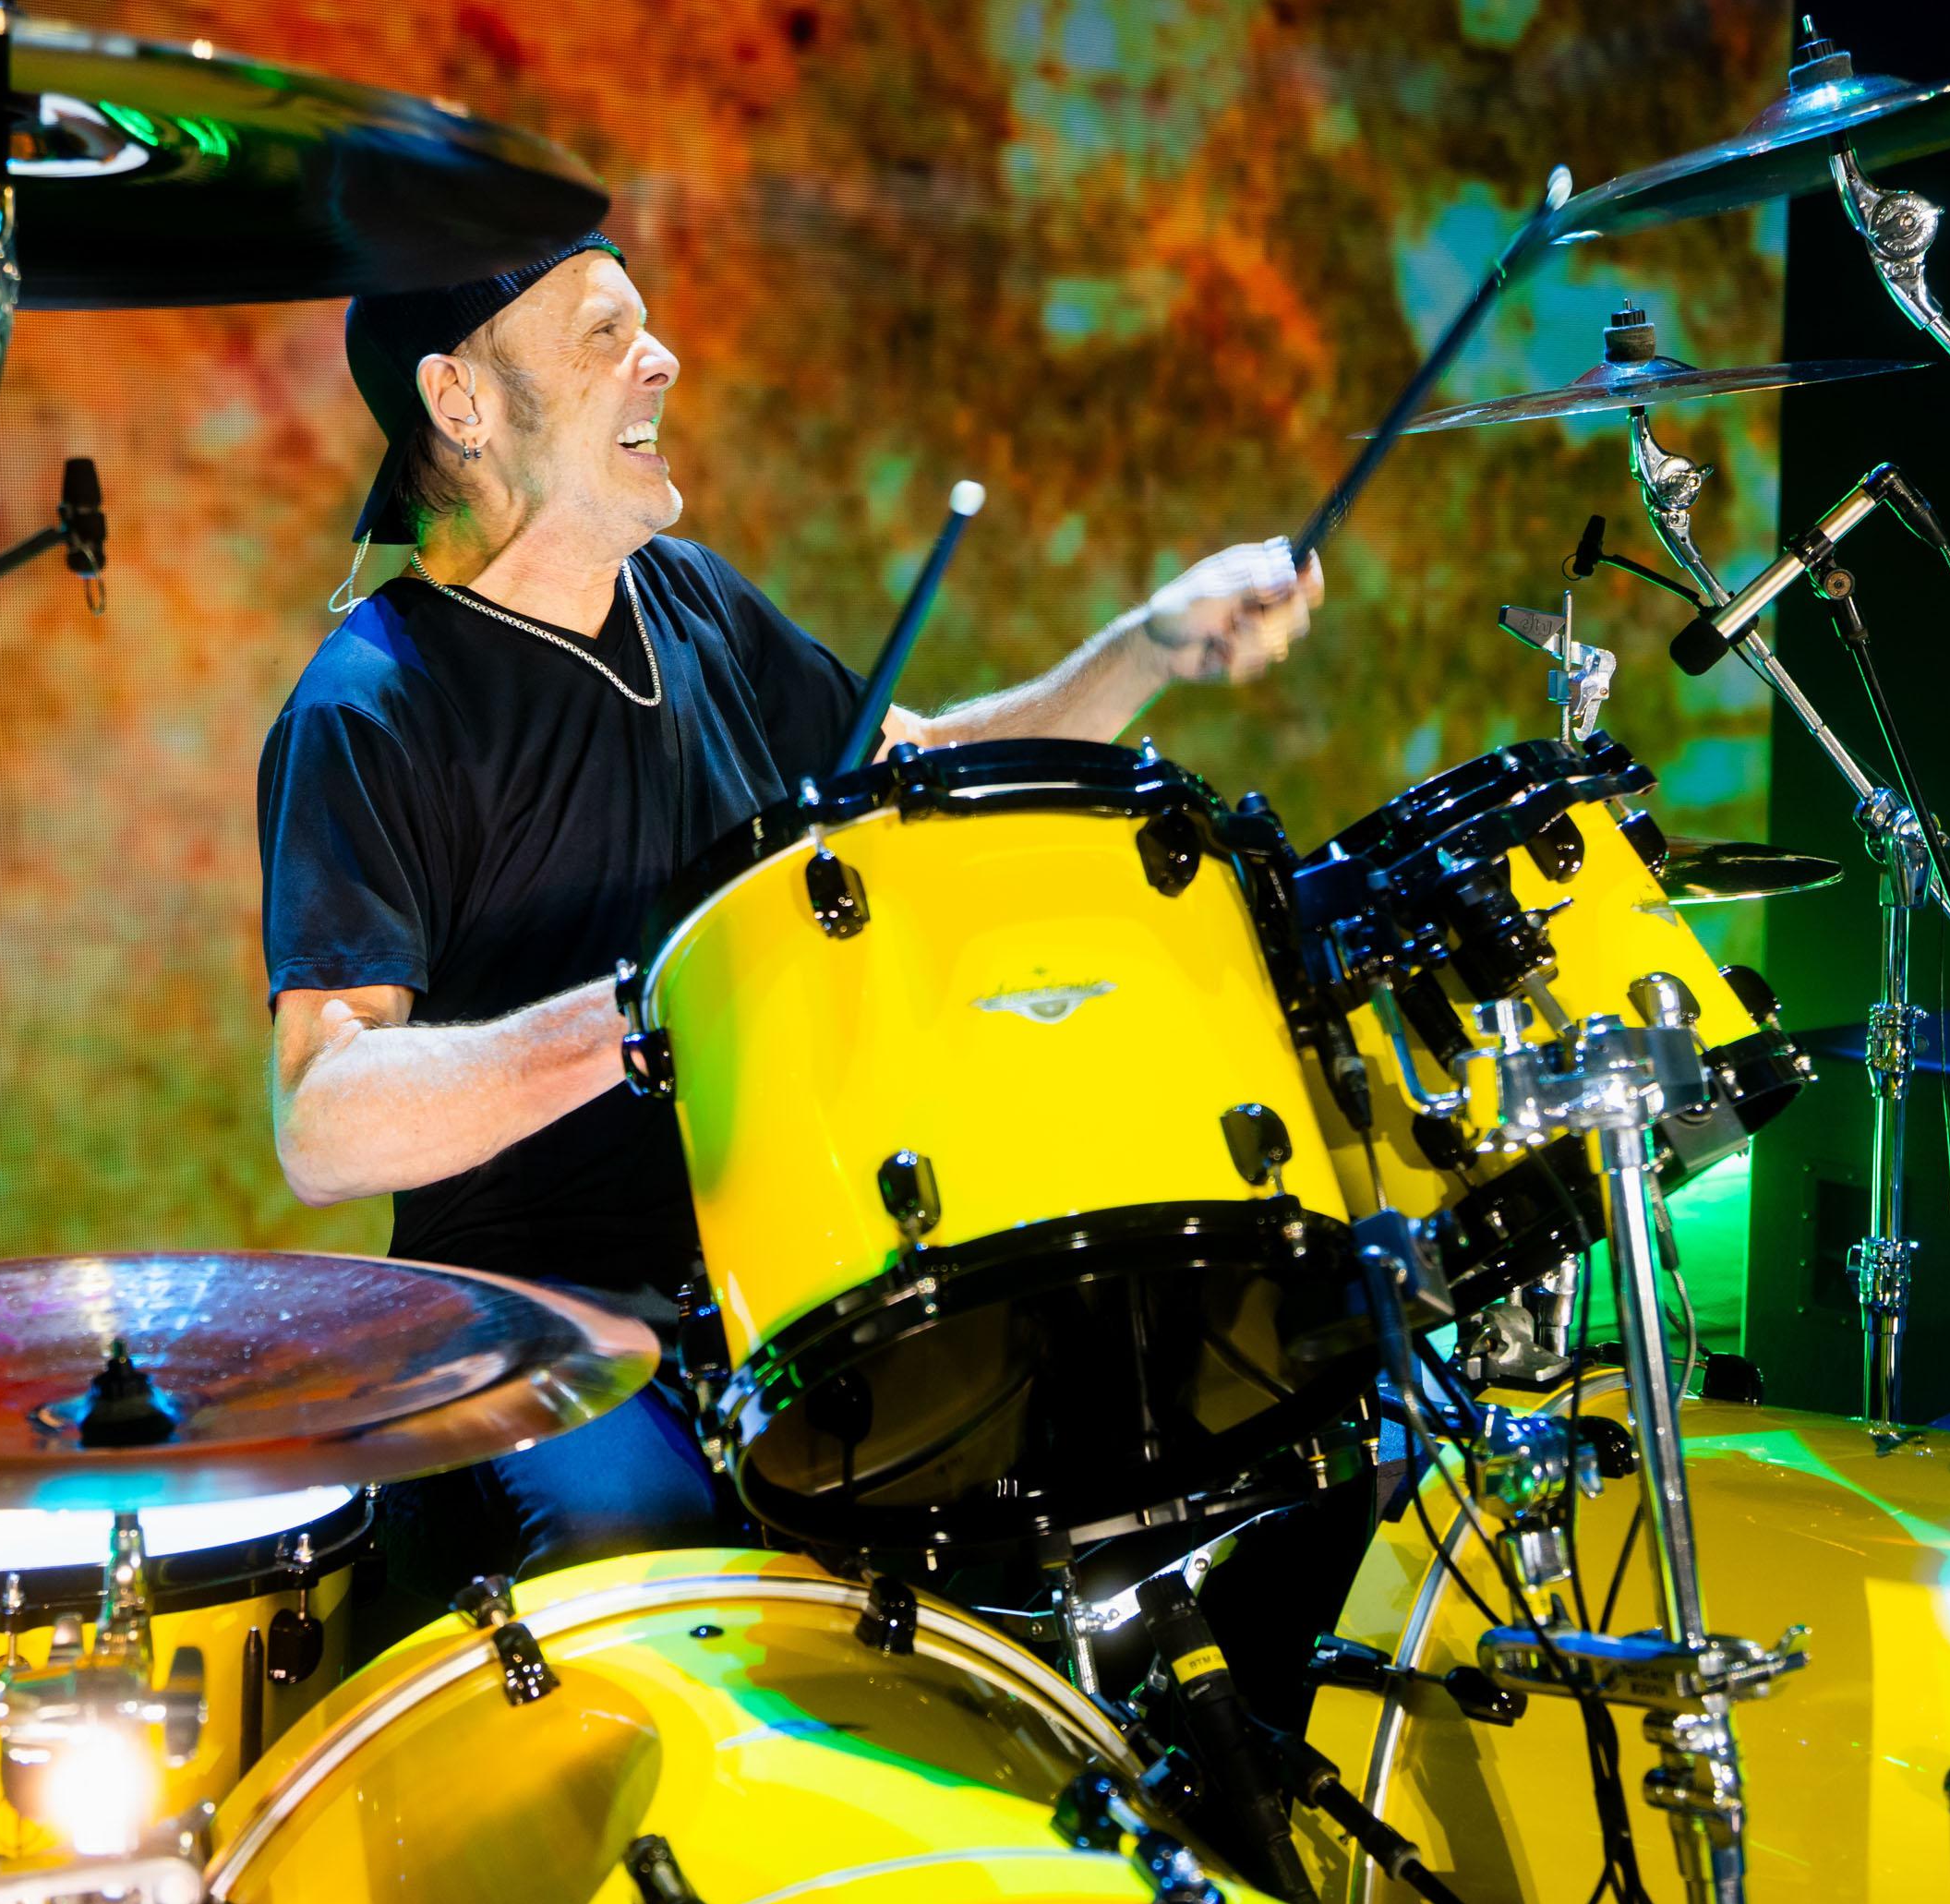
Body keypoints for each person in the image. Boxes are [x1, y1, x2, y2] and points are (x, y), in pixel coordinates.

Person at [259, 233, 1321, 1620]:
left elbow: (918, 783)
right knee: (641, 1540)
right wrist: (649, 1005)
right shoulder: (371, 704)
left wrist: (1148, 646)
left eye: (648, 326)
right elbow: (324, 1116)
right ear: (460, 402)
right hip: (539, 1313)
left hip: (787, 1277)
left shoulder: (694, 603)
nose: (661, 360)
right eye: (602, 334)